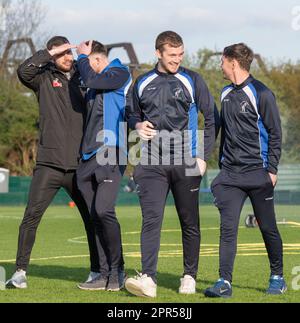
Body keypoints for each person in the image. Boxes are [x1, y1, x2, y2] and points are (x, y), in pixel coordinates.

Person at [6, 36, 107, 289]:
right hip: (49, 164)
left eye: (69, 54)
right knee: (31, 217)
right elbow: (23, 70)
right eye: (63, 54)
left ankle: (97, 271)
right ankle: (20, 272)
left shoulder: (82, 78)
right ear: (54, 54)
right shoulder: (41, 78)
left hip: (79, 166)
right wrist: (50, 52)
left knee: (93, 220)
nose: (68, 58)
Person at [125, 31, 219, 298]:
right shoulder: (142, 82)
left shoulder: (192, 79)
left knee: (189, 222)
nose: (177, 59)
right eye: (172, 55)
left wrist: (203, 156)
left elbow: (212, 117)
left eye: (180, 55)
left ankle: (189, 276)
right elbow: (131, 113)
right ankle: (148, 279)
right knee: (151, 220)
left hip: (186, 162)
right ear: (158, 53)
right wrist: (137, 124)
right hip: (151, 163)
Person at [205, 43, 287, 298]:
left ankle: (277, 277)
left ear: (233, 62)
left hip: (258, 173)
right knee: (227, 228)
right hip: (230, 176)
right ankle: (224, 282)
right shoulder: (225, 93)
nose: (220, 65)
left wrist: (271, 169)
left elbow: (275, 133)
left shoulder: (262, 93)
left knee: (268, 228)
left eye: (222, 61)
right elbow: (225, 132)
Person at [75, 41, 132, 292]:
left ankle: (118, 271)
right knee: (94, 217)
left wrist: (81, 58)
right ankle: (104, 273)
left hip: (111, 151)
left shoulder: (119, 72)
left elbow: (91, 80)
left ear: (97, 60)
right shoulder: (93, 80)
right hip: (88, 156)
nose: (87, 68)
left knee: (103, 211)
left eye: (89, 63)